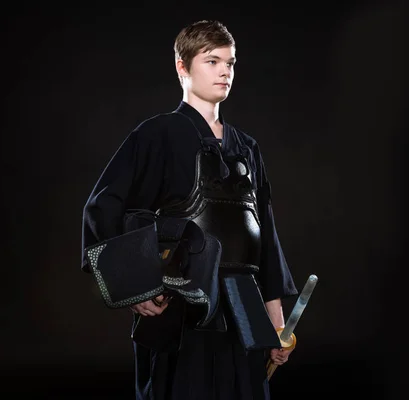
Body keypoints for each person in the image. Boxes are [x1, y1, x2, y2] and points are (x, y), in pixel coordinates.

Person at [81, 19, 298, 399]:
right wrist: (135, 287)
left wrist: (274, 317)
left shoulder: (247, 148)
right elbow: (103, 206)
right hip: (182, 301)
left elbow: (264, 234)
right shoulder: (157, 134)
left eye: (230, 63)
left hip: (245, 306)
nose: (224, 72)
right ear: (183, 67)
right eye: (212, 61)